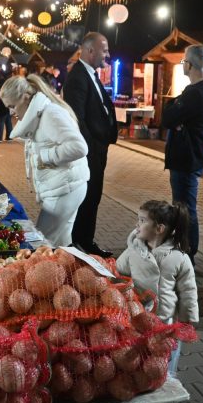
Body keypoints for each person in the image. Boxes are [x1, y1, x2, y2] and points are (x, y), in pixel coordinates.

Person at [0, 74, 89, 246]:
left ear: (25, 98)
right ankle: (71, 272)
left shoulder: (50, 114)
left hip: (64, 189)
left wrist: (45, 157)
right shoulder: (42, 114)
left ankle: (46, 273)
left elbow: (79, 147)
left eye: (12, 106)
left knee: (40, 244)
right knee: (61, 245)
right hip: (65, 187)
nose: (11, 112)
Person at [115, 200, 199, 376]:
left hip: (166, 321)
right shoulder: (132, 252)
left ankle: (165, 379)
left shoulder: (179, 258)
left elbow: (188, 292)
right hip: (137, 317)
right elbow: (116, 274)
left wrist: (186, 321)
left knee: (163, 360)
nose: (136, 224)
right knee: (138, 357)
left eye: (142, 220)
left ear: (159, 229)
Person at [161, 44, 203, 266]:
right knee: (183, 205)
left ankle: (187, 254)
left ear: (190, 64)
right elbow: (173, 117)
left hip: (186, 156)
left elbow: (167, 118)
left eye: (183, 61)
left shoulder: (195, 93)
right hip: (192, 155)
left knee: (185, 207)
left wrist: (175, 115)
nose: (182, 65)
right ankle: (185, 251)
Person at [63, 32, 118, 258]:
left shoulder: (91, 74)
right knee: (86, 197)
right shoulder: (77, 76)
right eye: (104, 50)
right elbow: (77, 118)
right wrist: (90, 148)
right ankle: (79, 243)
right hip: (89, 151)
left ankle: (86, 241)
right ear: (90, 51)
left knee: (93, 196)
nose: (107, 54)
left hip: (97, 148)